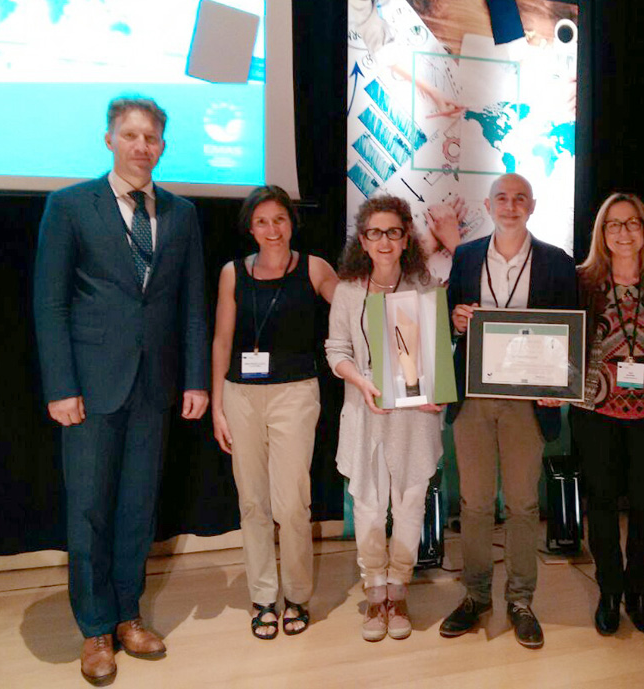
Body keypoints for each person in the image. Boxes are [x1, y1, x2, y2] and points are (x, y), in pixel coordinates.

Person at [34, 96, 209, 687]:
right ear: (109, 139)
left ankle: (128, 614)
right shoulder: (69, 206)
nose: (141, 146)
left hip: (154, 388)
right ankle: (94, 628)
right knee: (88, 510)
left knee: (138, 507)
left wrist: (195, 379)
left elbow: (191, 306)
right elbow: (51, 304)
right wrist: (61, 385)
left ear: (163, 146)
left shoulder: (182, 214)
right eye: (130, 135)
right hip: (89, 388)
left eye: (151, 137)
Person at [439, 173, 578, 650]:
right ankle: (476, 596)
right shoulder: (466, 256)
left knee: (522, 505)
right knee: (475, 504)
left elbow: (569, 333)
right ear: (488, 205)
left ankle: (520, 600)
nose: (511, 205)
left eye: (520, 198)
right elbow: (449, 322)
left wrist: (561, 386)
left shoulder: (558, 262)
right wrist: (456, 320)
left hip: (526, 403)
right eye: (502, 197)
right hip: (474, 398)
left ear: (532, 206)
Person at [210, 186, 338, 640]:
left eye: (279, 219)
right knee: (252, 503)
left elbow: (355, 308)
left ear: (291, 223)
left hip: (295, 394)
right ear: (250, 227)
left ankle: (297, 595)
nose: (272, 229)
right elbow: (222, 340)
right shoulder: (232, 272)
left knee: (291, 503)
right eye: (262, 221)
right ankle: (263, 597)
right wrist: (217, 407)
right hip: (240, 395)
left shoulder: (314, 267)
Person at [325, 195, 444, 643]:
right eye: (375, 233)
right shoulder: (347, 291)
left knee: (411, 502)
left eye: (393, 232)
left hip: (414, 416)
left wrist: (437, 393)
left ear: (406, 237)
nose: (385, 241)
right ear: (362, 239)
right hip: (365, 409)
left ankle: (399, 589)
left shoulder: (426, 287)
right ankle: (375, 590)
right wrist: (360, 381)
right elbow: (336, 350)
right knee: (369, 506)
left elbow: (436, 356)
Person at [570, 193, 644, 637]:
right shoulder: (582, 281)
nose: (623, 232)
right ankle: (609, 592)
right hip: (596, 411)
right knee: (602, 505)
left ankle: (639, 593)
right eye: (613, 224)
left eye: (632, 223)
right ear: (601, 233)